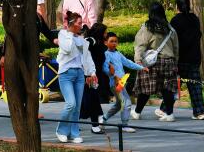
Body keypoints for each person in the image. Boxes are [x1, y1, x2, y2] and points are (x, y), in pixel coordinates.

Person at [156, 0, 204, 120]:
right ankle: (199, 112)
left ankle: (164, 109)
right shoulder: (195, 19)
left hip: (180, 58)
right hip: (194, 57)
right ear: (189, 4)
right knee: (195, 85)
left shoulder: (175, 20)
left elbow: (172, 39)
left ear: (177, 6)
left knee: (174, 85)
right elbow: (198, 35)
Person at [131, 1, 179, 121]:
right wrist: (175, 62)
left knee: (146, 88)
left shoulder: (147, 27)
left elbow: (140, 45)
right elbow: (176, 48)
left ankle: (137, 112)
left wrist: (138, 60)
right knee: (167, 88)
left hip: (153, 63)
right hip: (169, 62)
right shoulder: (170, 28)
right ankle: (169, 114)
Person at [56, 11, 97, 144]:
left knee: (77, 106)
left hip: (79, 74)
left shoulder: (82, 40)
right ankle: (61, 131)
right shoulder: (63, 35)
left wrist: (92, 72)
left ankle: (74, 133)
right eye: (79, 23)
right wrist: (70, 33)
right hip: (66, 74)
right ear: (72, 23)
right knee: (71, 104)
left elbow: (87, 57)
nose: (81, 25)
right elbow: (67, 48)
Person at [101, 31, 147, 133]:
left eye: (115, 41)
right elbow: (105, 68)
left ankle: (103, 119)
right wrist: (112, 74)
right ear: (105, 43)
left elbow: (128, 62)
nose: (114, 43)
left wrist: (141, 68)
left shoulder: (118, 53)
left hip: (122, 82)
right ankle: (124, 125)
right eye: (111, 41)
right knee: (126, 102)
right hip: (116, 83)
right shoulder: (106, 54)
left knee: (119, 104)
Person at [80, 22, 108, 133]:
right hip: (89, 75)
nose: (106, 34)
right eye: (105, 32)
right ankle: (95, 124)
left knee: (89, 99)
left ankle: (72, 123)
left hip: (95, 74)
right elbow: (83, 55)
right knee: (92, 98)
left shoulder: (98, 41)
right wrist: (87, 73)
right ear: (100, 32)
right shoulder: (90, 41)